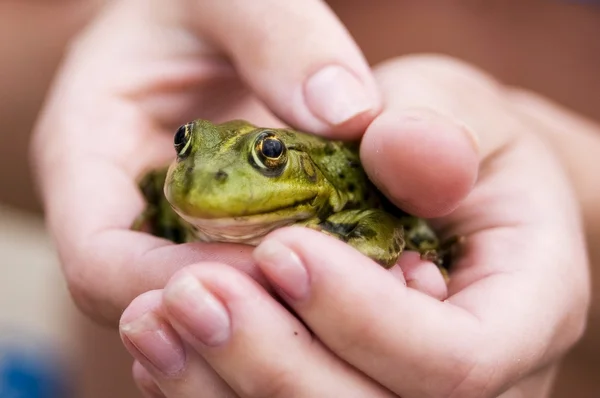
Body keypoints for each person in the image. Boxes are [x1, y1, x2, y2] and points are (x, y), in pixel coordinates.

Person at [31, 1, 597, 397]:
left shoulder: (342, 194)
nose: (209, 179)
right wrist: (117, 25)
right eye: (186, 146)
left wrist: (553, 162)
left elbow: (383, 228)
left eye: (269, 155)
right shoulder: (180, 178)